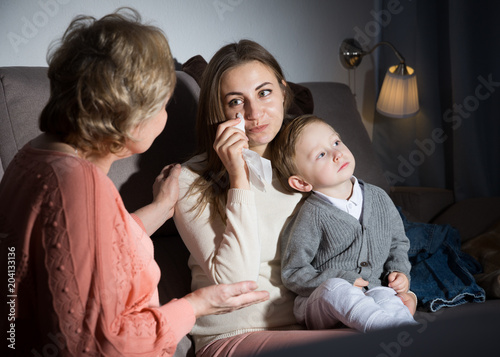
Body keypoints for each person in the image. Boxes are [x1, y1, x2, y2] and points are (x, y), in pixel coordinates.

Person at [0, 9, 269, 356]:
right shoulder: (77, 187)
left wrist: (161, 207)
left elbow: (89, 246)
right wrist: (195, 305)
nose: (166, 117)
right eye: (162, 105)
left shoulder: (33, 156)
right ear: (126, 118)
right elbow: (101, 342)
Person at [174, 40, 376, 356]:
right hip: (234, 336)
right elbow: (235, 280)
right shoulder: (189, 179)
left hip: (316, 322)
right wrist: (238, 176)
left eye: (264, 92)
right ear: (219, 110)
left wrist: (397, 293)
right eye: (236, 101)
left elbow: (352, 243)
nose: (255, 113)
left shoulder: (308, 162)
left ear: (283, 91)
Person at [272, 114, 418, 333]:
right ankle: (380, 328)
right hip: (322, 301)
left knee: (389, 298)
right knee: (336, 289)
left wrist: (399, 271)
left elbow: (397, 242)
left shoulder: (378, 197)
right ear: (302, 182)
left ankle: (408, 338)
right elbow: (293, 271)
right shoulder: (311, 214)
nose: (337, 154)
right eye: (321, 154)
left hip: (373, 290)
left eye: (336, 142)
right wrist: (341, 277)